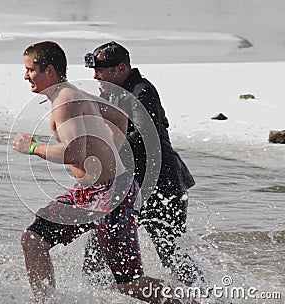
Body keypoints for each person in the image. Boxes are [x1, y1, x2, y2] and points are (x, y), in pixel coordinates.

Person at [13, 41, 184, 304]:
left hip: (113, 196)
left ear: (49, 70)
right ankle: (45, 301)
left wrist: (33, 146)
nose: (26, 76)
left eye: (30, 70)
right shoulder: (72, 93)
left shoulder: (65, 102)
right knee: (33, 239)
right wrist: (108, 150)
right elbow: (119, 116)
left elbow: (73, 153)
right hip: (91, 192)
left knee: (130, 284)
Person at [82, 41, 204, 287]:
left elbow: (143, 135)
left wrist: (105, 150)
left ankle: (206, 296)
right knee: (98, 246)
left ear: (121, 68)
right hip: (131, 184)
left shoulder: (141, 91)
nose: (95, 75)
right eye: (94, 70)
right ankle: (99, 295)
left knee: (171, 253)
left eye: (101, 69)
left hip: (163, 185)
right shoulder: (112, 91)